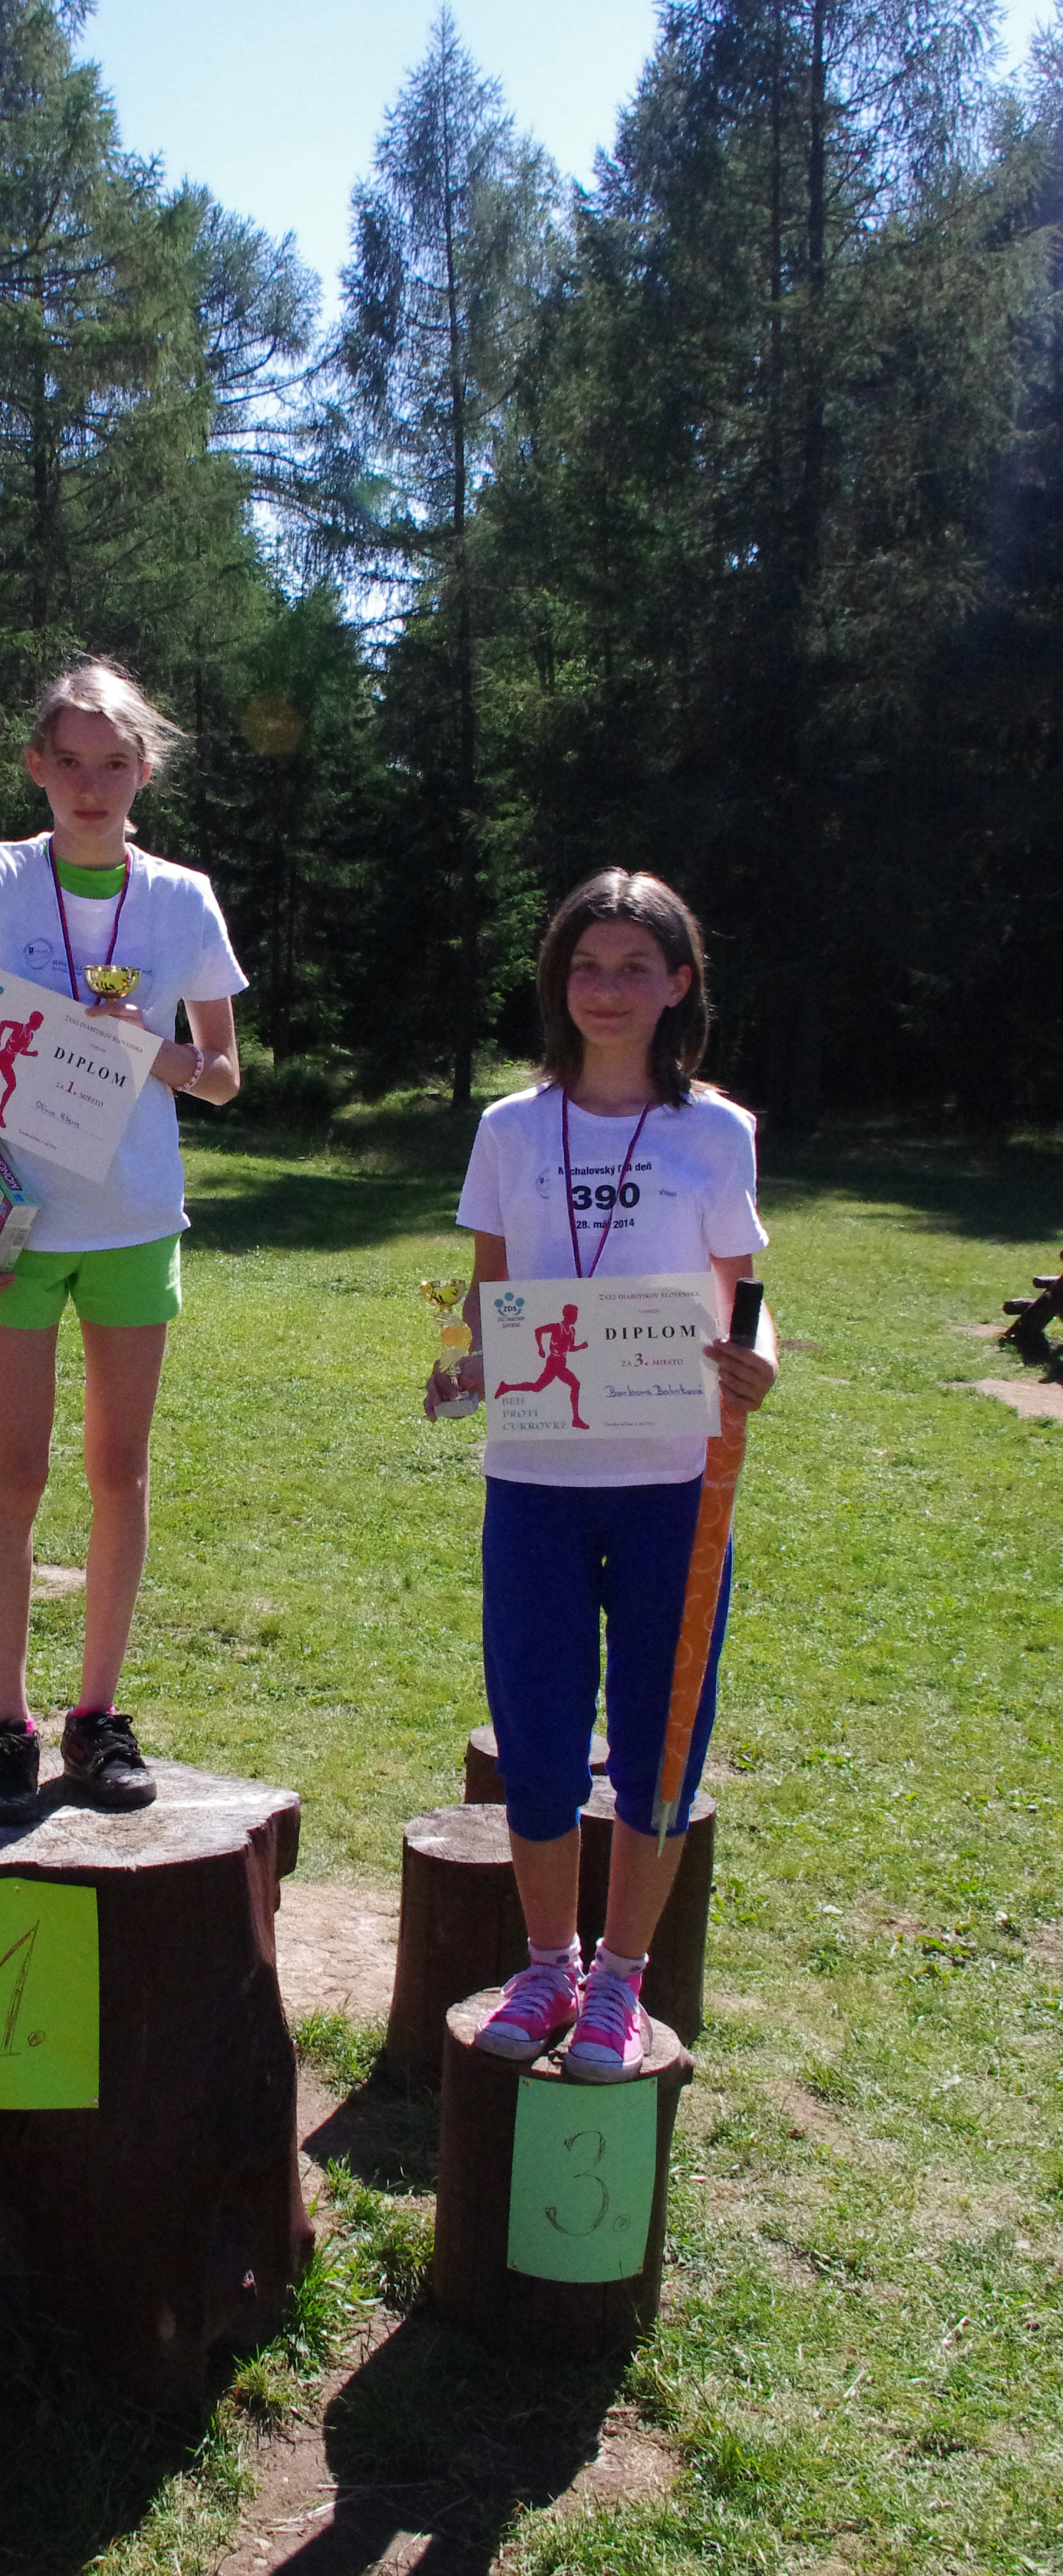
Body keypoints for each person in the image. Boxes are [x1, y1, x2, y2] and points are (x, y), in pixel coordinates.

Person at [424, 868, 776, 2080]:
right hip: (535, 1480)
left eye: (634, 967)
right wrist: (464, 1366)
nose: (607, 989)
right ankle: (547, 1964)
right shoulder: (511, 1129)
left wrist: (759, 1364)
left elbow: (746, 1300)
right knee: (536, 1729)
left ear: (679, 984)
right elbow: (489, 1296)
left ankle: (621, 1977)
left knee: (658, 1740)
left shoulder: (715, 1133)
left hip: (675, 1481)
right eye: (586, 965)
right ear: (556, 981)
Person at [0, 659, 245, 1821]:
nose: (91, 786)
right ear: (36, 768)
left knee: (119, 1472)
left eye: (114, 764)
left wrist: (149, 1046)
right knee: (17, 1469)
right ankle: (8, 1726)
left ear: (146, 771)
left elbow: (224, 1075)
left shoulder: (182, 900)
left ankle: (97, 1719)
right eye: (70, 763)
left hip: (134, 1223)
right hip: (13, 1226)